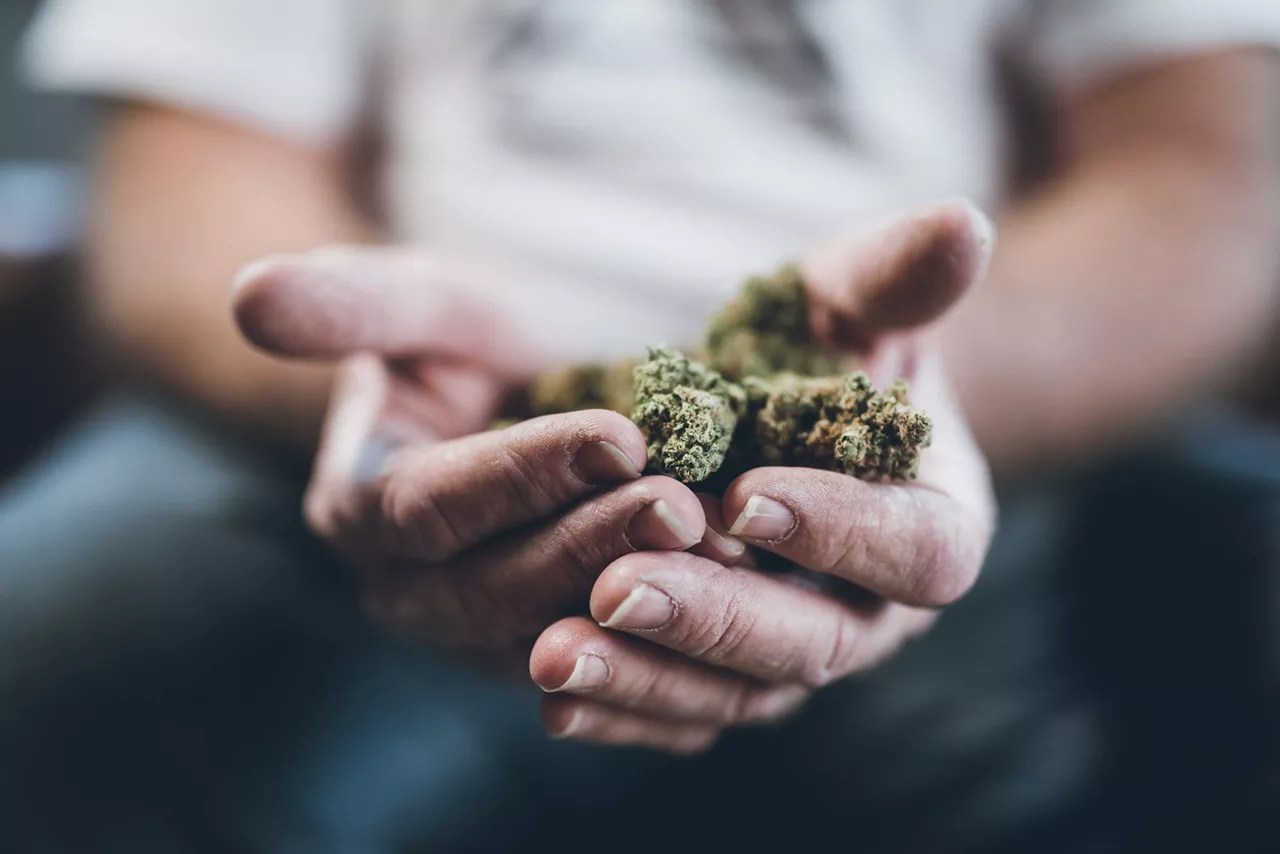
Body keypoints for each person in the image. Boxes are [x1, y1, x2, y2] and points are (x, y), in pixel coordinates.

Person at [3, 1, 1279, 850]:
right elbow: (188, 185)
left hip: (998, 430)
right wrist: (372, 377)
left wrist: (904, 407)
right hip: (379, 444)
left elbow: (1206, 174)